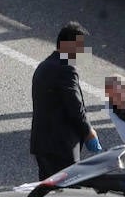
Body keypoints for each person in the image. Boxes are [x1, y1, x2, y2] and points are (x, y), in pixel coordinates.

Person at [30, 22, 101, 178]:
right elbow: (75, 106)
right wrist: (88, 132)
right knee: (67, 192)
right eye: (79, 47)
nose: (82, 52)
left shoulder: (45, 65)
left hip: (42, 143)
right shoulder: (66, 69)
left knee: (47, 191)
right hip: (60, 146)